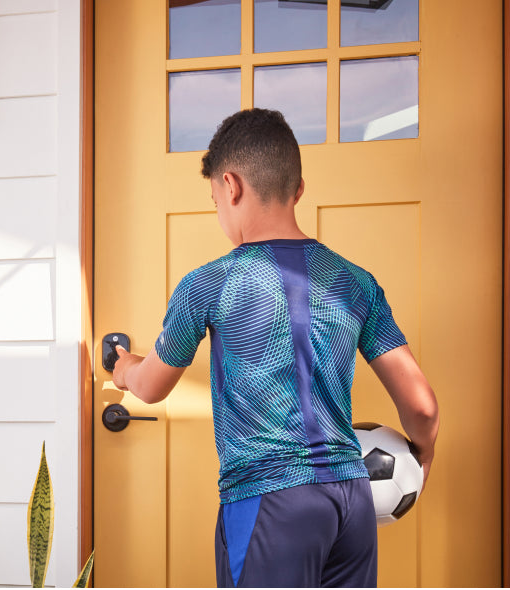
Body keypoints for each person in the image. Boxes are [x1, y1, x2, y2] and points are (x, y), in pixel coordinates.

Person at [113, 108, 439, 588]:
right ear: (299, 189)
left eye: (214, 201)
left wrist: (122, 366)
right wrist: (423, 460)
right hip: (351, 500)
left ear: (231, 186)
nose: (219, 212)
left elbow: (150, 386)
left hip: (271, 503)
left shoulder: (209, 285)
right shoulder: (356, 283)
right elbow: (423, 408)